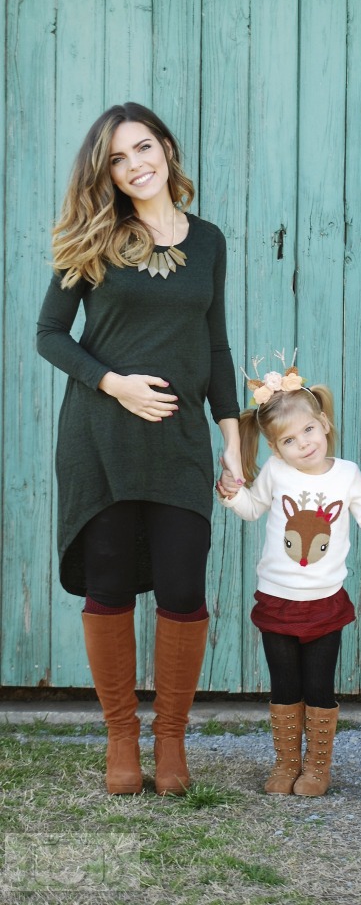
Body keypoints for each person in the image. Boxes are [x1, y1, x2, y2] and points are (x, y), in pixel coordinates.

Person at [37, 103, 243, 796]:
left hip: (180, 442)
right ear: (107, 174)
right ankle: (122, 740)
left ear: (167, 149)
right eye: (118, 159)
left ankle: (172, 741)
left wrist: (231, 439)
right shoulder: (96, 237)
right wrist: (116, 384)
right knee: (110, 585)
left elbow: (216, 346)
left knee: (183, 588)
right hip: (100, 437)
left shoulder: (208, 241)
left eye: (143, 148)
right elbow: (49, 334)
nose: (135, 166)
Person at [217, 355, 361, 796]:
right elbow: (252, 509)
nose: (303, 444)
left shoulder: (347, 475)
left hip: (324, 603)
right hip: (277, 600)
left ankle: (316, 768)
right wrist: (231, 494)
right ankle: (286, 764)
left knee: (318, 686)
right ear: (274, 449)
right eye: (289, 440)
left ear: (324, 423)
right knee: (285, 686)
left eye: (308, 430)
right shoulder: (276, 473)